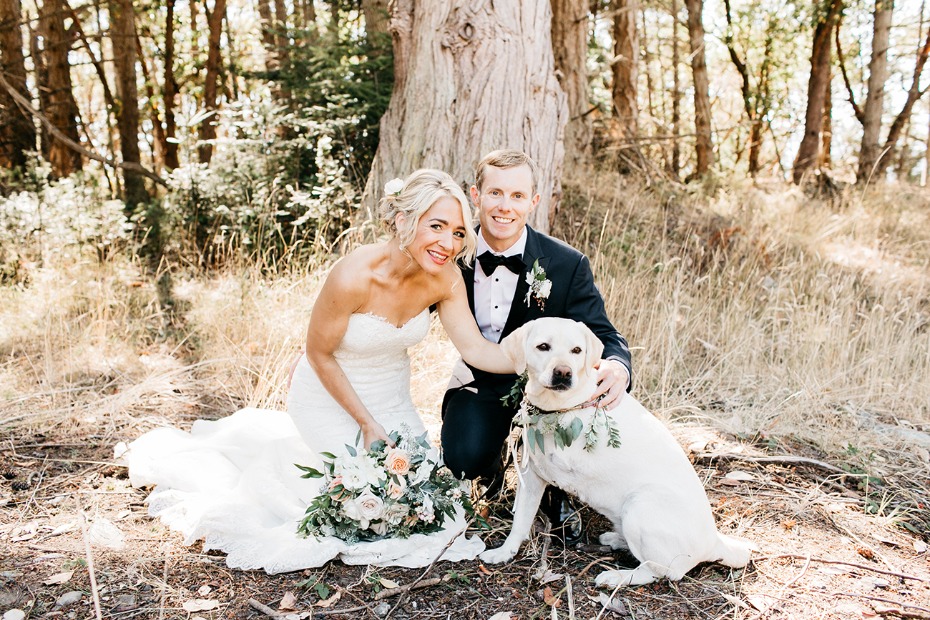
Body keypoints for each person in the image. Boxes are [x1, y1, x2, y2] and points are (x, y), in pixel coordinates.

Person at [120, 169, 513, 573]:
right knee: (361, 506)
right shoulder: (353, 275)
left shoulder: (444, 279)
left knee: (431, 509)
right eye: (437, 227)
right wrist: (366, 424)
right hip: (327, 396)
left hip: (391, 400)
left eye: (460, 233)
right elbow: (318, 353)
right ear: (402, 219)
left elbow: (474, 348)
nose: (448, 244)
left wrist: (530, 359)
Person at [440, 149, 633, 537]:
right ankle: (491, 462)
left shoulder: (565, 263)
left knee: (594, 409)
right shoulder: (451, 254)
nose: (504, 207)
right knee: (464, 458)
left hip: (553, 388)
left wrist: (618, 365)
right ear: (476, 196)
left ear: (534, 201)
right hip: (482, 378)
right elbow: (398, 309)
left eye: (516, 196)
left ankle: (558, 491)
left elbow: (604, 332)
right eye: (495, 193)